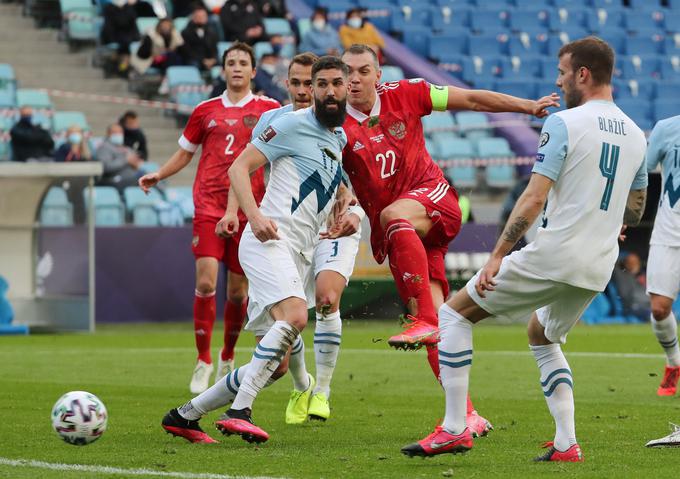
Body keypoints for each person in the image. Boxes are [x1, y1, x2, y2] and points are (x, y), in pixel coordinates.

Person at [401, 36, 648, 462]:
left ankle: (455, 428)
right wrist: (614, 224)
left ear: (582, 74)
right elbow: (637, 206)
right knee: (542, 333)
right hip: (597, 263)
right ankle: (567, 443)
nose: (559, 80)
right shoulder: (636, 133)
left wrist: (497, 253)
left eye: (562, 72)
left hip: (555, 254)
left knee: (453, 314)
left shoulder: (565, 122)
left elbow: (533, 198)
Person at [340, 43, 556, 395]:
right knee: (438, 327)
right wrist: (345, 202)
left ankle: (423, 318)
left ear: (378, 75)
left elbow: (471, 101)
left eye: (363, 70)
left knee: (396, 220)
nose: (354, 79)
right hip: (402, 236)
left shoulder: (408, 93)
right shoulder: (334, 123)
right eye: (347, 72)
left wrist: (527, 106)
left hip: (434, 201)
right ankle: (464, 416)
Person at [160, 55, 352, 444]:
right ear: (310, 90)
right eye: (322, 84)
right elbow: (238, 167)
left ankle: (185, 415)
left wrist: (344, 204)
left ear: (347, 89)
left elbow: (328, 185)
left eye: (337, 83)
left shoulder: (339, 137)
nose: (330, 91)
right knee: (297, 316)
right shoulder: (289, 124)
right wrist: (253, 216)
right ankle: (239, 411)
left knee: (276, 365)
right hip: (267, 242)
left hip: (297, 252)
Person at [222, 51, 362, 423]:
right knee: (284, 344)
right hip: (274, 233)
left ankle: (203, 410)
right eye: (299, 83)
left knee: (302, 317)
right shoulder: (278, 122)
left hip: (306, 238)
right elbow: (244, 167)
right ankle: (292, 388)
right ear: (291, 85)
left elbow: (335, 172)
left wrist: (346, 195)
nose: (305, 91)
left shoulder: (338, 132)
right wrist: (243, 214)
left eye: (311, 83)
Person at [138, 42, 279, 395]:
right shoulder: (204, 111)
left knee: (237, 291)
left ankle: (227, 356)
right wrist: (159, 175)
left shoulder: (269, 109)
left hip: (250, 208)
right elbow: (185, 153)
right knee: (205, 282)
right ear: (222, 70)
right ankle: (202, 360)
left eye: (242, 63)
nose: (236, 68)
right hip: (208, 206)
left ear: (252, 71)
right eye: (230, 62)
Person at [645, 114, 680, 397]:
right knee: (659, 307)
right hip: (669, 231)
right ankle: (673, 363)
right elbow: (639, 174)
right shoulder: (666, 129)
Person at [130, 17, 184, 82]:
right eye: (164, 25)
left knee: (173, 57)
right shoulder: (151, 35)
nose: (165, 27)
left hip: (167, 59)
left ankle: (169, 80)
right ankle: (169, 80)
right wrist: (156, 55)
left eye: (168, 25)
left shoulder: (175, 35)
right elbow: (142, 54)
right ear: (159, 26)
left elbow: (181, 48)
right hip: (150, 60)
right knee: (170, 56)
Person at [96, 124, 144, 192]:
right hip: (112, 180)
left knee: (150, 176)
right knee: (145, 178)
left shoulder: (125, 148)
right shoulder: (104, 147)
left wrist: (135, 164)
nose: (119, 135)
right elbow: (106, 167)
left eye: (120, 132)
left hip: (131, 177)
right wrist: (126, 160)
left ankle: (160, 199)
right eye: (115, 132)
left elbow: (135, 163)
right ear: (108, 134)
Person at [100, 0, 140, 75]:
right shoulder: (109, 8)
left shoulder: (129, 9)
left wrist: (136, 37)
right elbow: (109, 27)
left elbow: (133, 25)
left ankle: (120, 67)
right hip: (113, 35)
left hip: (127, 36)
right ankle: (120, 67)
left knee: (126, 47)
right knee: (125, 47)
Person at [180, 5, 218, 72]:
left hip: (209, 59)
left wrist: (213, 59)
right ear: (193, 18)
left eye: (203, 16)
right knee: (194, 64)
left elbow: (214, 49)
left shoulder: (212, 31)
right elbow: (187, 52)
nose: (201, 19)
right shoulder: (186, 32)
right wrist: (203, 60)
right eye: (199, 17)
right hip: (194, 60)